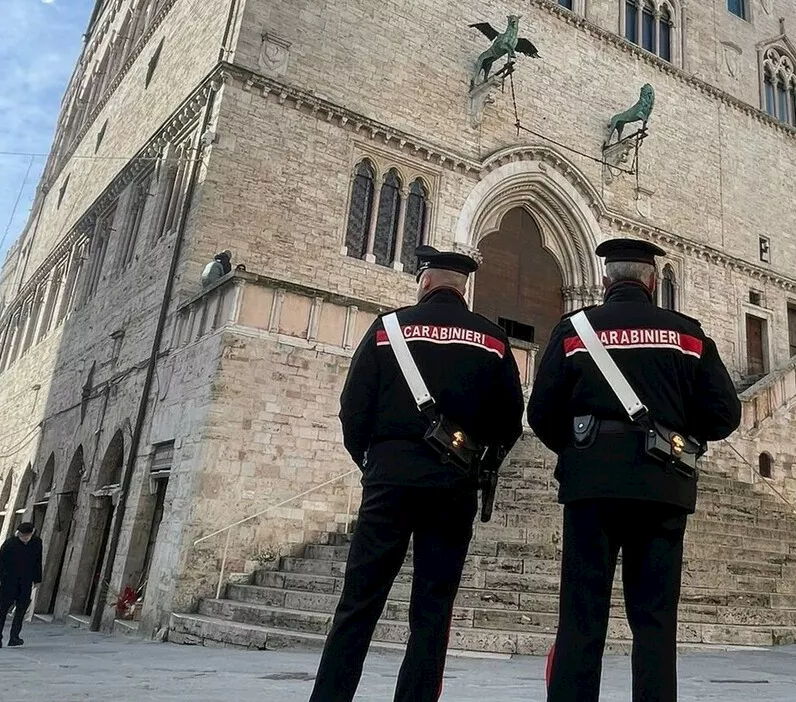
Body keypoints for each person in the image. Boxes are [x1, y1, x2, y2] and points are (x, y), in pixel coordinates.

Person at [528, 238, 742, 702]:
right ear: (651, 281)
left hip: (591, 489)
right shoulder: (688, 333)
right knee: (655, 624)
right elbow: (725, 414)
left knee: (581, 618)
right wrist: (679, 435)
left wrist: (580, 450)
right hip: (663, 486)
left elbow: (541, 412)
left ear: (606, 281)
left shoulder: (574, 330)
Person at [309, 245, 525, 702]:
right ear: (463, 288)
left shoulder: (387, 329)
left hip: (389, 479)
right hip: (453, 484)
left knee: (358, 604)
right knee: (432, 611)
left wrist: (371, 461)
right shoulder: (491, 338)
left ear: (424, 282)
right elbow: (509, 421)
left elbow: (353, 410)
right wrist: (482, 462)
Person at [0, 522, 43, 648]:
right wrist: (3, 577)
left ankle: (14, 637)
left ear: (32, 533)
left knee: (20, 610)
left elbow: (38, 561)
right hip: (9, 580)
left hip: (26, 581)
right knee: (2, 610)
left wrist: (37, 580)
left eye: (27, 535)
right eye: (22, 535)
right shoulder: (10, 544)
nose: (25, 538)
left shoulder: (36, 543)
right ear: (18, 533)